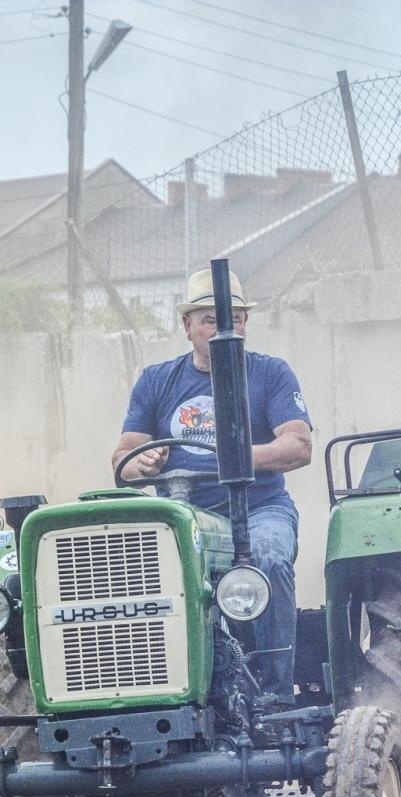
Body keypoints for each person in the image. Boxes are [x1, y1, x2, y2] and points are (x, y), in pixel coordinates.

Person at [112, 268, 312, 705]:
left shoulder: (270, 374)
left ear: (245, 323)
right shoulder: (156, 381)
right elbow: (124, 460)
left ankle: (276, 695)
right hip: (182, 521)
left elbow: (298, 445)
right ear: (187, 327)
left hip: (259, 509)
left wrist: (240, 457)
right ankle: (151, 691)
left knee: (269, 557)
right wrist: (142, 463)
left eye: (234, 319)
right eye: (209, 319)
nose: (224, 328)